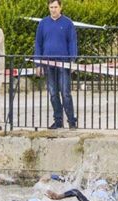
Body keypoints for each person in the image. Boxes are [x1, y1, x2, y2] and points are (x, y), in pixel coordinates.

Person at [34, 0, 78, 130]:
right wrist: (38, 63)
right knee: (53, 93)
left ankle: (71, 121)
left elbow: (72, 42)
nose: (53, 9)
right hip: (47, 63)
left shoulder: (68, 23)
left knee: (65, 93)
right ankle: (58, 121)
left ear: (60, 7)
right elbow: (38, 44)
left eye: (55, 7)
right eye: (51, 7)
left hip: (63, 63)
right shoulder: (43, 24)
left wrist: (72, 61)